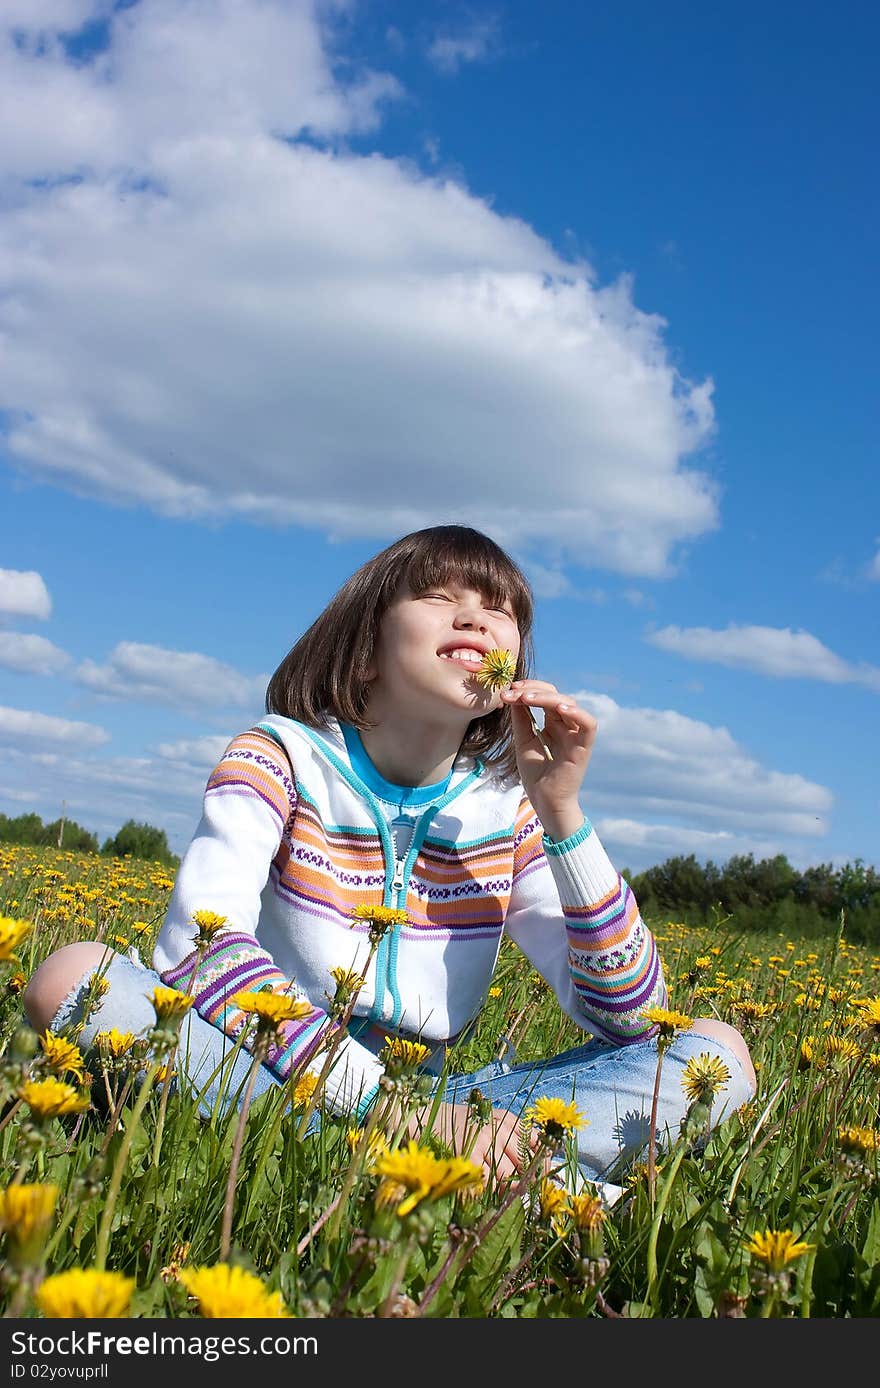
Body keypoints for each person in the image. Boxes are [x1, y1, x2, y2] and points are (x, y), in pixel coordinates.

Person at [24, 525, 755, 1196]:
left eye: (501, 613)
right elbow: (197, 949)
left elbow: (632, 1020)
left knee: (715, 1052)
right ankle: (540, 1193)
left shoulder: (512, 814)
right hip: (271, 1072)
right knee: (74, 978)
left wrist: (562, 815)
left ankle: (429, 1168)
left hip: (443, 1103)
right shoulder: (277, 757)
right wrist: (389, 1110)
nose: (476, 618)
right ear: (366, 652)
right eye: (441, 598)